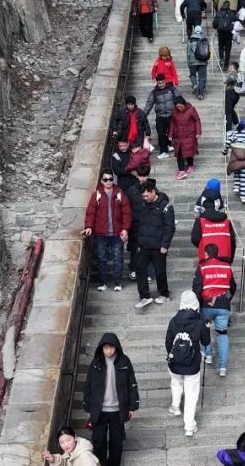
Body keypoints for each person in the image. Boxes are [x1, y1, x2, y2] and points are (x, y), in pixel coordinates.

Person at [84, 333, 140, 466]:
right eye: (106, 348)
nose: (108, 351)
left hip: (117, 410)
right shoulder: (96, 363)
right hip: (100, 411)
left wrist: (132, 406)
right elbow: (88, 385)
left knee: (116, 441)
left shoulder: (124, 361)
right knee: (99, 440)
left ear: (116, 347)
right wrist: (88, 406)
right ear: (102, 348)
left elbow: (131, 384)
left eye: (111, 347)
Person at [165, 290, 212, 436]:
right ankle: (189, 426)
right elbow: (206, 342)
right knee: (191, 394)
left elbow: (168, 342)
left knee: (176, 382)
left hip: (174, 363)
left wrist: (174, 355)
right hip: (192, 364)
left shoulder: (173, 321)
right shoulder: (200, 321)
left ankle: (175, 406)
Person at [83, 172, 133, 292]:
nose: (108, 181)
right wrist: (89, 226)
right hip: (101, 233)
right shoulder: (97, 195)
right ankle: (103, 282)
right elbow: (91, 212)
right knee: (102, 258)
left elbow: (127, 213)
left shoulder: (119, 194)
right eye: (106, 179)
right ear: (101, 181)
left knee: (118, 258)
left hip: (117, 233)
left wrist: (125, 229)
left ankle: (118, 282)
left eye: (110, 179)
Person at [193, 244, 235, 377]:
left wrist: (197, 305)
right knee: (222, 335)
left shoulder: (202, 266)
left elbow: (197, 288)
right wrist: (228, 299)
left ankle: (208, 354)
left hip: (207, 305)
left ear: (206, 254)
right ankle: (222, 367)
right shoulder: (227, 266)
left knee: (204, 329)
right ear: (217, 253)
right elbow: (233, 286)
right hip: (223, 306)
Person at [133, 179, 175, 308]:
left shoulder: (165, 206)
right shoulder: (143, 205)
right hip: (144, 244)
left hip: (158, 246)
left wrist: (165, 245)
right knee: (140, 269)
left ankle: (164, 294)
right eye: (143, 196)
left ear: (152, 192)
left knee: (159, 271)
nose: (145, 198)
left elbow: (169, 227)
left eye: (146, 195)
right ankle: (144, 296)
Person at [145, 74, 181, 158]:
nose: (161, 84)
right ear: (157, 83)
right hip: (160, 116)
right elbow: (149, 104)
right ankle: (164, 151)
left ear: (165, 81)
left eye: (162, 82)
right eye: (159, 83)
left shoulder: (172, 89)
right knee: (161, 134)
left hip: (171, 115)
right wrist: (143, 115)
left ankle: (170, 145)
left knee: (172, 132)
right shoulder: (154, 92)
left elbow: (180, 99)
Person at [168, 96, 202, 179]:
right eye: (177, 107)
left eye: (181, 106)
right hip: (178, 135)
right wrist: (170, 134)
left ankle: (190, 165)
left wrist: (198, 132)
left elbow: (197, 120)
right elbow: (172, 123)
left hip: (189, 134)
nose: (179, 108)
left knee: (189, 151)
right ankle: (181, 171)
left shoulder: (191, 109)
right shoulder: (174, 112)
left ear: (184, 104)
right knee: (179, 152)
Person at [224, 119, 245, 204]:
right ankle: (244, 197)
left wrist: (225, 151)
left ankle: (236, 186)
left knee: (237, 169)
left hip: (235, 155)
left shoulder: (233, 133)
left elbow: (227, 142)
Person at [187, 25, 210, 98]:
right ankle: (200, 94)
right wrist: (207, 61)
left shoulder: (190, 40)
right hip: (203, 61)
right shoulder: (205, 40)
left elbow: (188, 52)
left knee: (193, 74)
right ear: (201, 31)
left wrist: (188, 62)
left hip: (192, 61)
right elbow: (208, 51)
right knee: (202, 77)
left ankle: (194, 84)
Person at [224, 62, 243, 130]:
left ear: (233, 67)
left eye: (230, 67)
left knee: (227, 111)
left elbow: (230, 79)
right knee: (230, 109)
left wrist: (225, 81)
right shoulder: (239, 74)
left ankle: (228, 129)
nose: (229, 68)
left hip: (231, 93)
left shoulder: (234, 73)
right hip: (236, 95)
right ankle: (236, 122)